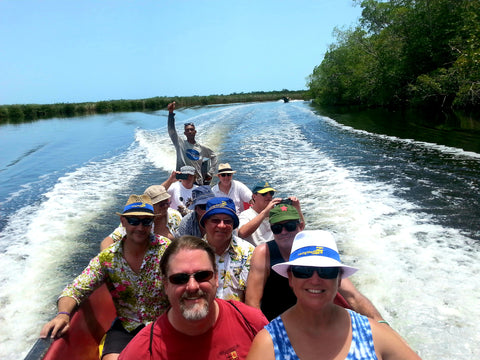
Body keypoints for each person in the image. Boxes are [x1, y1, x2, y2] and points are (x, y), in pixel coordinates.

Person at [246, 230, 421, 360]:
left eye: (326, 271)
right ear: (291, 278)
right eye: (304, 271)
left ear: (338, 279)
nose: (315, 280)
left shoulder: (372, 334)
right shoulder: (268, 343)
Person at [41, 195, 171, 360]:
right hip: (127, 326)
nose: (140, 227)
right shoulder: (108, 257)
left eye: (146, 221)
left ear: (151, 223)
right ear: (123, 222)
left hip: (164, 322)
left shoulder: (166, 249)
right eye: (133, 221)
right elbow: (76, 288)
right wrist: (63, 314)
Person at [118, 236, 268, 360]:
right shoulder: (142, 352)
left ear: (216, 278)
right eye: (180, 278)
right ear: (165, 285)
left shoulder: (253, 323)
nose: (192, 286)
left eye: (203, 275)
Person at [245, 204, 384, 322]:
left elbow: (352, 296)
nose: (284, 232)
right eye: (277, 228)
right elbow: (252, 302)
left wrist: (382, 325)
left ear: (300, 226)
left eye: (290, 226)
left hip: (315, 323)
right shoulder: (264, 253)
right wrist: (267, 335)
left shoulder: (316, 251)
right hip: (276, 322)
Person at [200, 197, 255, 302]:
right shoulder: (193, 253)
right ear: (205, 223)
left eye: (227, 221)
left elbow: (251, 299)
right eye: (215, 220)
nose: (221, 225)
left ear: (233, 225)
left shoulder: (248, 252)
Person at [100, 185, 182, 250]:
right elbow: (110, 239)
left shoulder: (175, 216)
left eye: (167, 203)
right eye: (161, 204)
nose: (166, 206)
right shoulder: (138, 220)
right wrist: (107, 260)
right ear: (150, 205)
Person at [238, 181, 304, 246]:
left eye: (271, 193)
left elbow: (300, 228)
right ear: (254, 196)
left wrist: (297, 208)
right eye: (264, 193)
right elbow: (241, 233)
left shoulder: (277, 212)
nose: (269, 196)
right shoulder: (246, 215)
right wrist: (264, 214)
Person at [167, 101, 218, 185]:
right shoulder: (180, 143)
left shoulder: (201, 148)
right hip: (182, 181)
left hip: (197, 181)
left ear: (195, 132)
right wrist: (171, 113)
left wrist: (210, 173)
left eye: (191, 130)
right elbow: (171, 130)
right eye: (187, 130)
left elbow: (214, 156)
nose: (189, 131)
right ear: (185, 133)